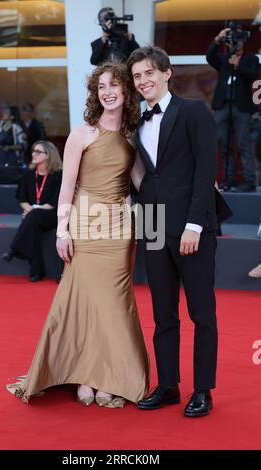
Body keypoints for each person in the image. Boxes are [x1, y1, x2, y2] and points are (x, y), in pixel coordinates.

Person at [6, 62, 149, 407]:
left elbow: (143, 184)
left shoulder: (132, 135)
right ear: (95, 94)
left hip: (118, 228)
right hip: (84, 224)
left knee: (113, 304)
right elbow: (66, 187)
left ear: (126, 91)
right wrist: (61, 231)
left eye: (114, 85)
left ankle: (110, 375)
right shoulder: (81, 133)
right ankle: (85, 374)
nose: (108, 92)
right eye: (101, 87)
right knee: (84, 301)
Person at [127, 46, 218, 417]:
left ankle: (202, 390)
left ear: (167, 73)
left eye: (149, 73)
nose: (143, 81)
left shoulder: (194, 111)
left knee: (201, 313)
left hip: (191, 226)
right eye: (136, 76)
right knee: (163, 312)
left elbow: (205, 169)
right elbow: (143, 175)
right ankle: (167, 385)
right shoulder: (137, 122)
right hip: (151, 224)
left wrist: (194, 224)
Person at [206, 27, 259, 192]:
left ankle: (249, 181)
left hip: (241, 106)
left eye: (238, 41)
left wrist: (238, 65)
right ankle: (229, 180)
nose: (236, 44)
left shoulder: (251, 58)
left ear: (243, 42)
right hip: (223, 105)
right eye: (233, 42)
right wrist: (217, 39)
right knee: (224, 144)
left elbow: (252, 75)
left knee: (243, 144)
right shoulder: (223, 58)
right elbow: (209, 57)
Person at [1, 140, 62, 281]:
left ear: (48, 155)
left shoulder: (58, 175)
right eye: (33, 151)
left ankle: (14, 250)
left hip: (52, 215)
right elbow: (22, 199)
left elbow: (54, 203)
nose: (33, 154)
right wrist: (31, 210)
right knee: (33, 223)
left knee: (32, 218)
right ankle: (36, 271)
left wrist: (32, 211)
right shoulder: (28, 175)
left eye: (38, 151)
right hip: (34, 216)